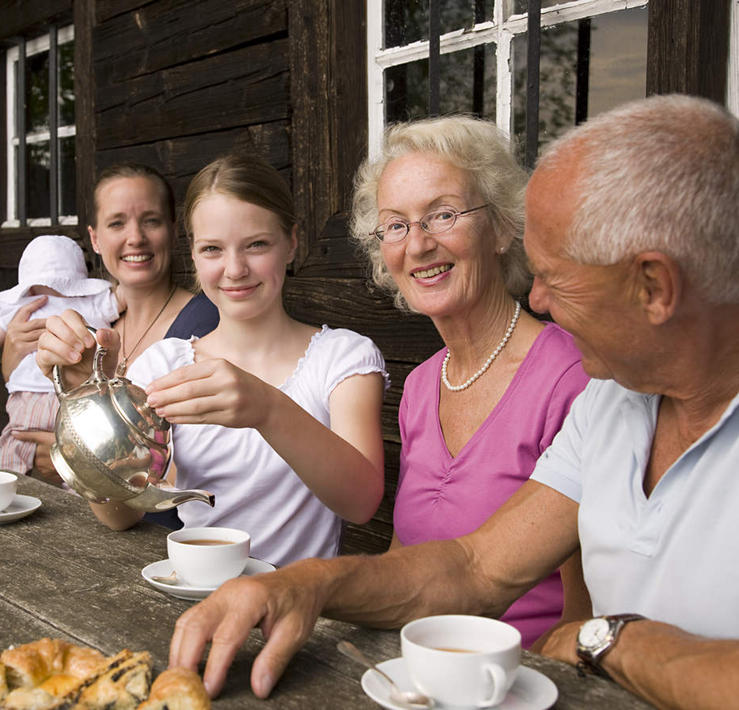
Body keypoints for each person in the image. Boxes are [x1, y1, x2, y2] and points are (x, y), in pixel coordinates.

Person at [166, 94, 739, 710]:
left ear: (654, 287)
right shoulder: (614, 404)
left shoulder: (577, 378)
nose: (539, 298)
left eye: (558, 277)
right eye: (395, 224)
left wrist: (607, 642)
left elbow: (570, 626)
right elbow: (477, 569)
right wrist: (303, 584)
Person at [36, 153, 388, 567]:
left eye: (256, 244)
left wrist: (267, 409)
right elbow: (121, 516)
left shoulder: (343, 358)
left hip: (294, 604)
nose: (235, 269)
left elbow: (360, 503)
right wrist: (88, 403)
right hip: (189, 591)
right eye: (212, 249)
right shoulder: (165, 362)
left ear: (291, 243)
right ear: (195, 254)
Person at [348, 115, 589, 647]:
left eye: (443, 215)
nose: (418, 244)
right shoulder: (421, 386)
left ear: (502, 227)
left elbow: (582, 612)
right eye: (396, 224)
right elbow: (401, 558)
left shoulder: (570, 378)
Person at [0, 164, 219, 494]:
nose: (135, 238)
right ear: (95, 239)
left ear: (174, 231)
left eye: (151, 221)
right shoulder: (91, 322)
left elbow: (200, 467)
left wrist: (72, 458)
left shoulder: (204, 325)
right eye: (117, 223)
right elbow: (22, 386)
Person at [0, 234, 124, 477]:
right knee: (79, 458)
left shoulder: (21, 310)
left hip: (26, 403)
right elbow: (125, 296)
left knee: (12, 447)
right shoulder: (94, 303)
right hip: (74, 400)